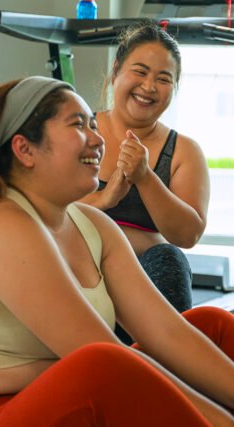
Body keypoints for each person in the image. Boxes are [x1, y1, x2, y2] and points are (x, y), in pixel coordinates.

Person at [0, 75, 234, 427]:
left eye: (92, 123)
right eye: (77, 124)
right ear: (25, 149)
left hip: (73, 404)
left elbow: (165, 332)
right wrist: (221, 422)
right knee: (104, 361)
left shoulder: (93, 225)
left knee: (214, 327)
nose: (98, 138)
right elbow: (95, 351)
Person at [80, 22, 209, 316]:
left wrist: (145, 177)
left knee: (168, 259)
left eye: (163, 79)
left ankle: (163, 359)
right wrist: (103, 200)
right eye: (139, 72)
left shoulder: (184, 151)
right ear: (115, 73)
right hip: (76, 267)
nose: (149, 86)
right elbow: (42, 210)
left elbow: (188, 235)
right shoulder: (78, 132)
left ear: (173, 88)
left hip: (144, 276)